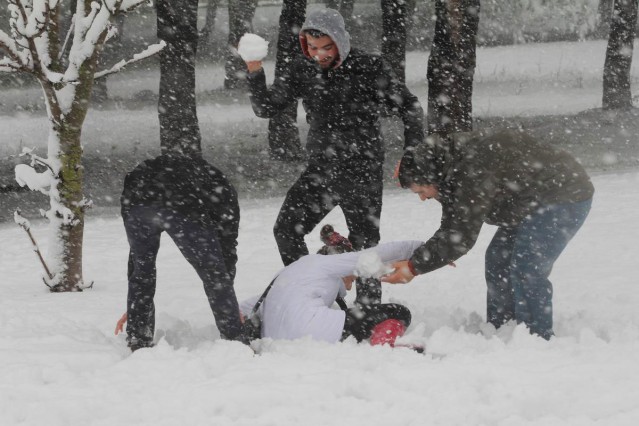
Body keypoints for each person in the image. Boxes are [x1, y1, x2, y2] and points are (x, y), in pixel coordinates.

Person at [244, 8, 424, 266]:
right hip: (321, 171)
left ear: (341, 40)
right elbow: (266, 108)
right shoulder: (302, 68)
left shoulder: (369, 67)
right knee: (285, 231)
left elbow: (411, 107)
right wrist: (254, 68)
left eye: (327, 47)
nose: (320, 54)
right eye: (313, 47)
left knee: (365, 251)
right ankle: (309, 292)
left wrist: (411, 154)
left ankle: (368, 306)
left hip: (362, 170)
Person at [383, 129, 594, 340]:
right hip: (526, 202)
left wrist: (413, 267)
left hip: (563, 195)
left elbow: (460, 236)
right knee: (497, 259)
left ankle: (535, 338)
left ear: (430, 178)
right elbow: (452, 227)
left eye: (420, 191)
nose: (422, 198)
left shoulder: (472, 170)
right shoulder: (447, 169)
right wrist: (431, 255)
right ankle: (502, 329)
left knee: (526, 267)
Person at [119, 152, 247, 351]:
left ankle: (138, 337)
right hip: (181, 202)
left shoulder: (204, 179)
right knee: (215, 274)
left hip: (137, 195)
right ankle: (235, 340)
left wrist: (136, 304)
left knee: (142, 268)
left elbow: (137, 260)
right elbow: (226, 250)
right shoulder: (224, 193)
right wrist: (229, 301)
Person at [240, 225, 423, 346]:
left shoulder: (287, 273)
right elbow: (376, 254)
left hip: (275, 342)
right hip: (311, 335)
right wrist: (426, 251)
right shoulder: (327, 264)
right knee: (399, 312)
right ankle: (384, 346)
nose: (350, 288)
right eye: (351, 279)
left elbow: (245, 307)